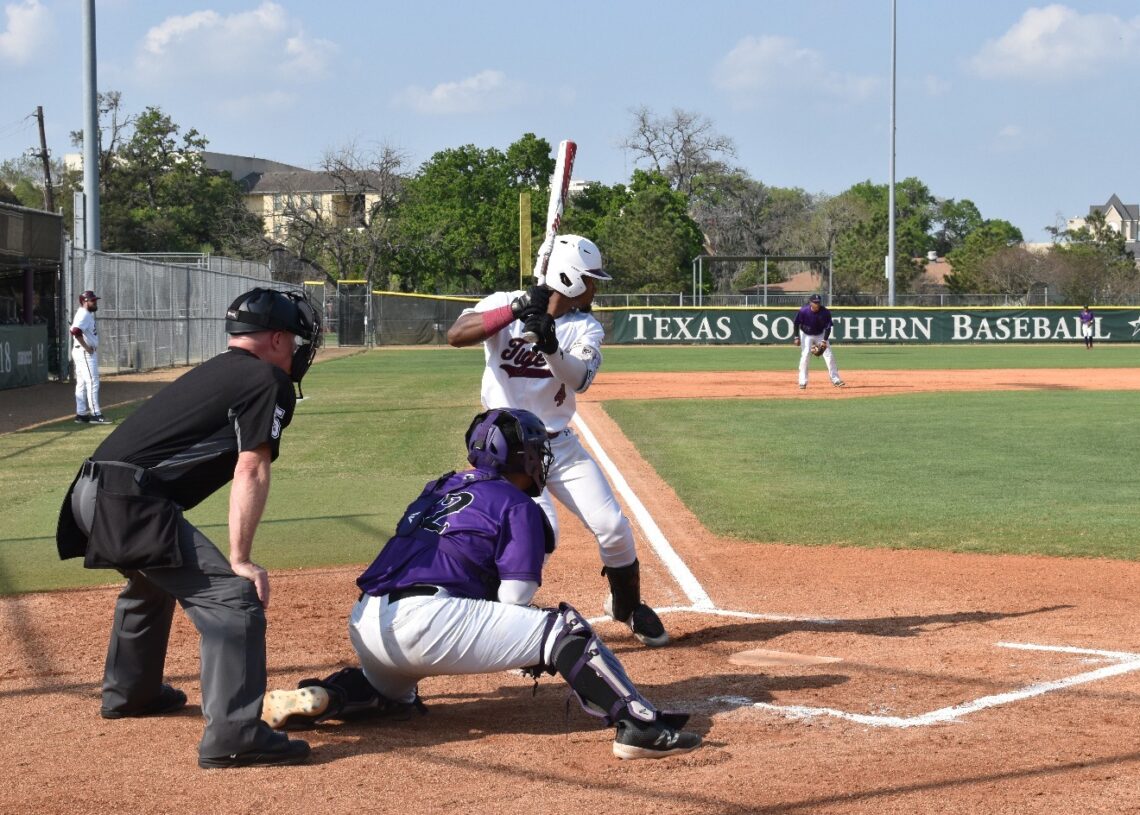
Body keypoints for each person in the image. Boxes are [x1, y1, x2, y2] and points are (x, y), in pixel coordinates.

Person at [260, 408, 703, 760]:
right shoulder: (517, 503)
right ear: (523, 458)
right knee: (563, 630)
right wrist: (524, 644)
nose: (541, 458)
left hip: (368, 621)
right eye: (536, 450)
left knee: (389, 693)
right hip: (428, 621)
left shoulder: (438, 488)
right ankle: (640, 726)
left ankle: (325, 696)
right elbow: (515, 600)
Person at [54, 288, 321, 769]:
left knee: (150, 581)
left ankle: (131, 693)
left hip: (89, 492)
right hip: (126, 502)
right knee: (234, 602)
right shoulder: (265, 379)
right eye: (296, 340)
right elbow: (251, 468)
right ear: (277, 338)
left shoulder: (221, 368)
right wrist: (241, 559)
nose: (298, 350)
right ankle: (236, 737)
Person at [445, 235, 669, 648]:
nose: (595, 287)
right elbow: (457, 335)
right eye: (589, 279)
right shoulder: (507, 302)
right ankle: (500, 621)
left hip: (557, 446)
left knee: (612, 527)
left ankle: (626, 606)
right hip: (507, 453)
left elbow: (579, 378)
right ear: (567, 278)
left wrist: (548, 342)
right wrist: (514, 310)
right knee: (538, 532)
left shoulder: (585, 326)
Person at [70, 290, 111, 424]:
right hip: (84, 353)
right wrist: (87, 347)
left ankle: (81, 414)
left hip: (80, 352)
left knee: (82, 383)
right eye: (92, 300)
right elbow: (75, 332)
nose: (95, 302)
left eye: (95, 300)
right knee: (93, 382)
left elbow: (74, 330)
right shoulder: (84, 314)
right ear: (84, 301)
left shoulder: (84, 313)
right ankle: (95, 414)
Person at [793, 293, 844, 389]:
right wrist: (796, 337)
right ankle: (802, 381)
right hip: (806, 334)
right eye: (815, 302)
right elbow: (796, 323)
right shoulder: (804, 311)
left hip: (820, 334)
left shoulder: (825, 312)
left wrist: (824, 340)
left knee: (829, 355)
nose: (817, 304)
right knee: (805, 355)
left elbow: (828, 328)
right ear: (810, 303)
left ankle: (836, 379)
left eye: (818, 302)